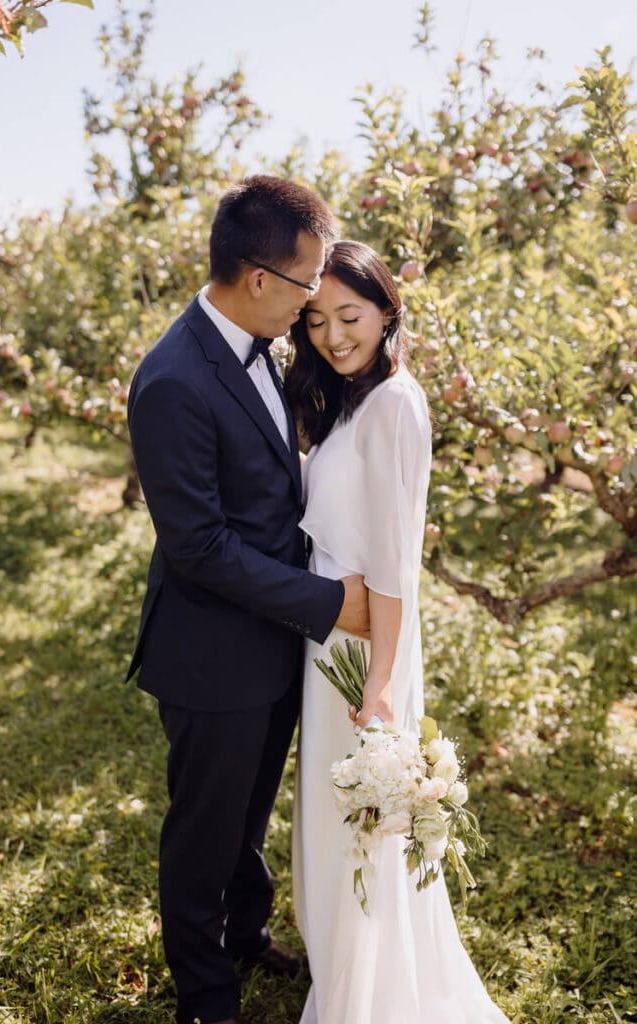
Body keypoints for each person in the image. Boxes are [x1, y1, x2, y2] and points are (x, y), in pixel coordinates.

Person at [126, 178, 370, 1024]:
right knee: (203, 830)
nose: (316, 304)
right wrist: (325, 601)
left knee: (248, 809)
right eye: (308, 285)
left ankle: (242, 933)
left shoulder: (258, 346)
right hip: (210, 655)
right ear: (259, 278)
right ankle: (204, 993)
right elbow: (197, 549)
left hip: (270, 640)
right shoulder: (173, 379)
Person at [286, 240, 511, 1024]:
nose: (332, 336)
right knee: (334, 813)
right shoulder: (349, 400)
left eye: (350, 316)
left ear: (388, 311)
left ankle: (368, 994)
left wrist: (380, 684)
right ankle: (340, 967)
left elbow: (395, 563)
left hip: (361, 649)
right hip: (329, 641)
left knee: (362, 824)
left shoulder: (395, 402)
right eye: (315, 321)